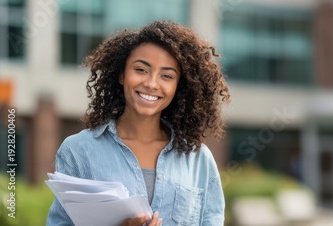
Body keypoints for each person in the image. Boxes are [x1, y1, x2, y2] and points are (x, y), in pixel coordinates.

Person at [46, 20, 230, 226]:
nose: (151, 84)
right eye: (141, 70)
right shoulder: (78, 151)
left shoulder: (198, 159)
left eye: (167, 76)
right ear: (122, 75)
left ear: (178, 86)